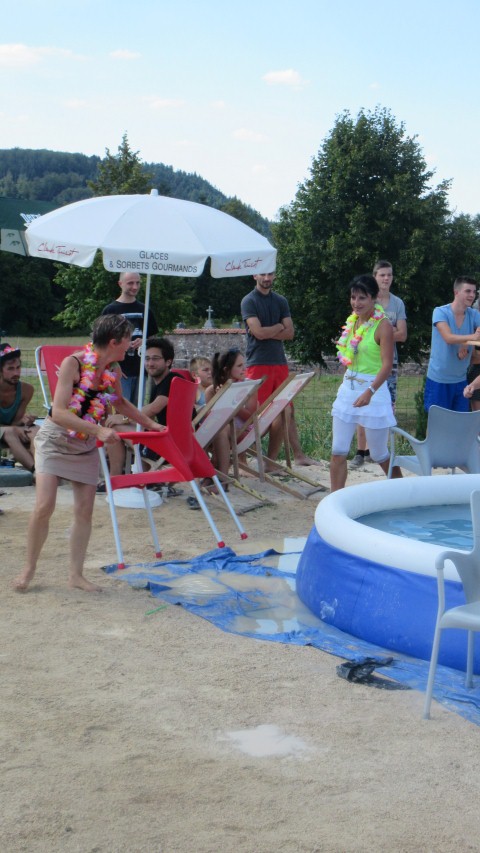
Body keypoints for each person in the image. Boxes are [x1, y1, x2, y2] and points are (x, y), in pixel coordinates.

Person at [14, 315, 163, 593]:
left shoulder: (113, 368)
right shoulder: (74, 363)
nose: (131, 345)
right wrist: (99, 431)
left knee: (85, 511)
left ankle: (76, 575)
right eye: (128, 340)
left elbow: (120, 402)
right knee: (44, 506)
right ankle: (29, 568)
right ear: (114, 342)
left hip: (84, 445)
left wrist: (151, 425)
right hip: (55, 441)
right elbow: (59, 412)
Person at [330, 274, 402, 492]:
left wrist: (370, 391)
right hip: (348, 390)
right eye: (353, 297)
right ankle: (335, 500)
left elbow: (387, 365)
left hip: (374, 391)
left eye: (362, 298)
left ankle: (405, 492)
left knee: (380, 454)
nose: (356, 302)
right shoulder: (352, 322)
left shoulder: (383, 326)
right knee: (338, 451)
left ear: (374, 298)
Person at [241, 271, 315, 468]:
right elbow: (258, 332)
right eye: (263, 274)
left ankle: (295, 456)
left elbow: (290, 333)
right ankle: (245, 457)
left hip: (279, 362)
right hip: (257, 363)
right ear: (254, 275)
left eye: (270, 274)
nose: (267, 278)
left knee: (287, 408)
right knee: (256, 413)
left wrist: (267, 331)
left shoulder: (281, 301)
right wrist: (277, 327)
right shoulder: (248, 301)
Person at [351, 260, 407, 468]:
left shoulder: (397, 303)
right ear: (374, 277)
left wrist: (382, 334)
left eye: (389, 275)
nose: (386, 278)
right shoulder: (364, 301)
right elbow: (358, 331)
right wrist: (386, 332)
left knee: (387, 404)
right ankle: (361, 451)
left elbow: (403, 334)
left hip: (388, 361)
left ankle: (380, 450)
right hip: (365, 361)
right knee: (361, 402)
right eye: (382, 275)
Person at [203, 349, 258, 491]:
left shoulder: (249, 386)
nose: (244, 369)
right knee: (221, 427)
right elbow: (211, 420)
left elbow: (250, 418)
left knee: (222, 428)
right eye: (239, 366)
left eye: (244, 364)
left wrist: (231, 400)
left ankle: (220, 478)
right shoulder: (211, 390)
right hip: (220, 432)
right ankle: (217, 476)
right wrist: (220, 397)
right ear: (227, 369)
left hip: (243, 431)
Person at [424, 276, 480, 413]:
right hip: (438, 381)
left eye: (474, 292)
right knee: (437, 423)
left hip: (461, 381)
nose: (472, 295)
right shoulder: (440, 312)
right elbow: (448, 338)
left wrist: (465, 344)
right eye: (468, 291)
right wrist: (470, 338)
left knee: (459, 423)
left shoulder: (473, 314)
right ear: (456, 292)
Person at [101, 271, 158, 404]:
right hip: (119, 371)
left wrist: (144, 341)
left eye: (138, 283)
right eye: (130, 283)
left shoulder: (145, 309)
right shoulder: (110, 310)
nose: (135, 287)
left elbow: (154, 339)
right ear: (120, 284)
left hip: (141, 370)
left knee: (137, 410)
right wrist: (111, 365)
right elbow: (100, 343)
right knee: (120, 408)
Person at [0, 343, 39, 473]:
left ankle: (42, 471)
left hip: (9, 429)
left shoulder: (26, 390)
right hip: (7, 431)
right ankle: (35, 471)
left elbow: (15, 422)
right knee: (9, 432)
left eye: (18, 367)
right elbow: (11, 428)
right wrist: (14, 428)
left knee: (35, 430)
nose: (16, 373)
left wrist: (24, 420)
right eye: (10, 369)